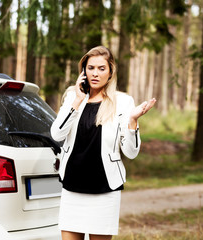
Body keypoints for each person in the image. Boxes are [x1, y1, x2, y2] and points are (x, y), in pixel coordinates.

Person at [50, 46, 156, 240]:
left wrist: (133, 121)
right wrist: (77, 102)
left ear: (110, 71)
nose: (95, 73)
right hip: (72, 186)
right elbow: (57, 134)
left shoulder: (123, 102)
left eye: (101, 68)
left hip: (104, 188)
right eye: (90, 68)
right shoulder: (73, 96)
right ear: (83, 71)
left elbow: (131, 152)